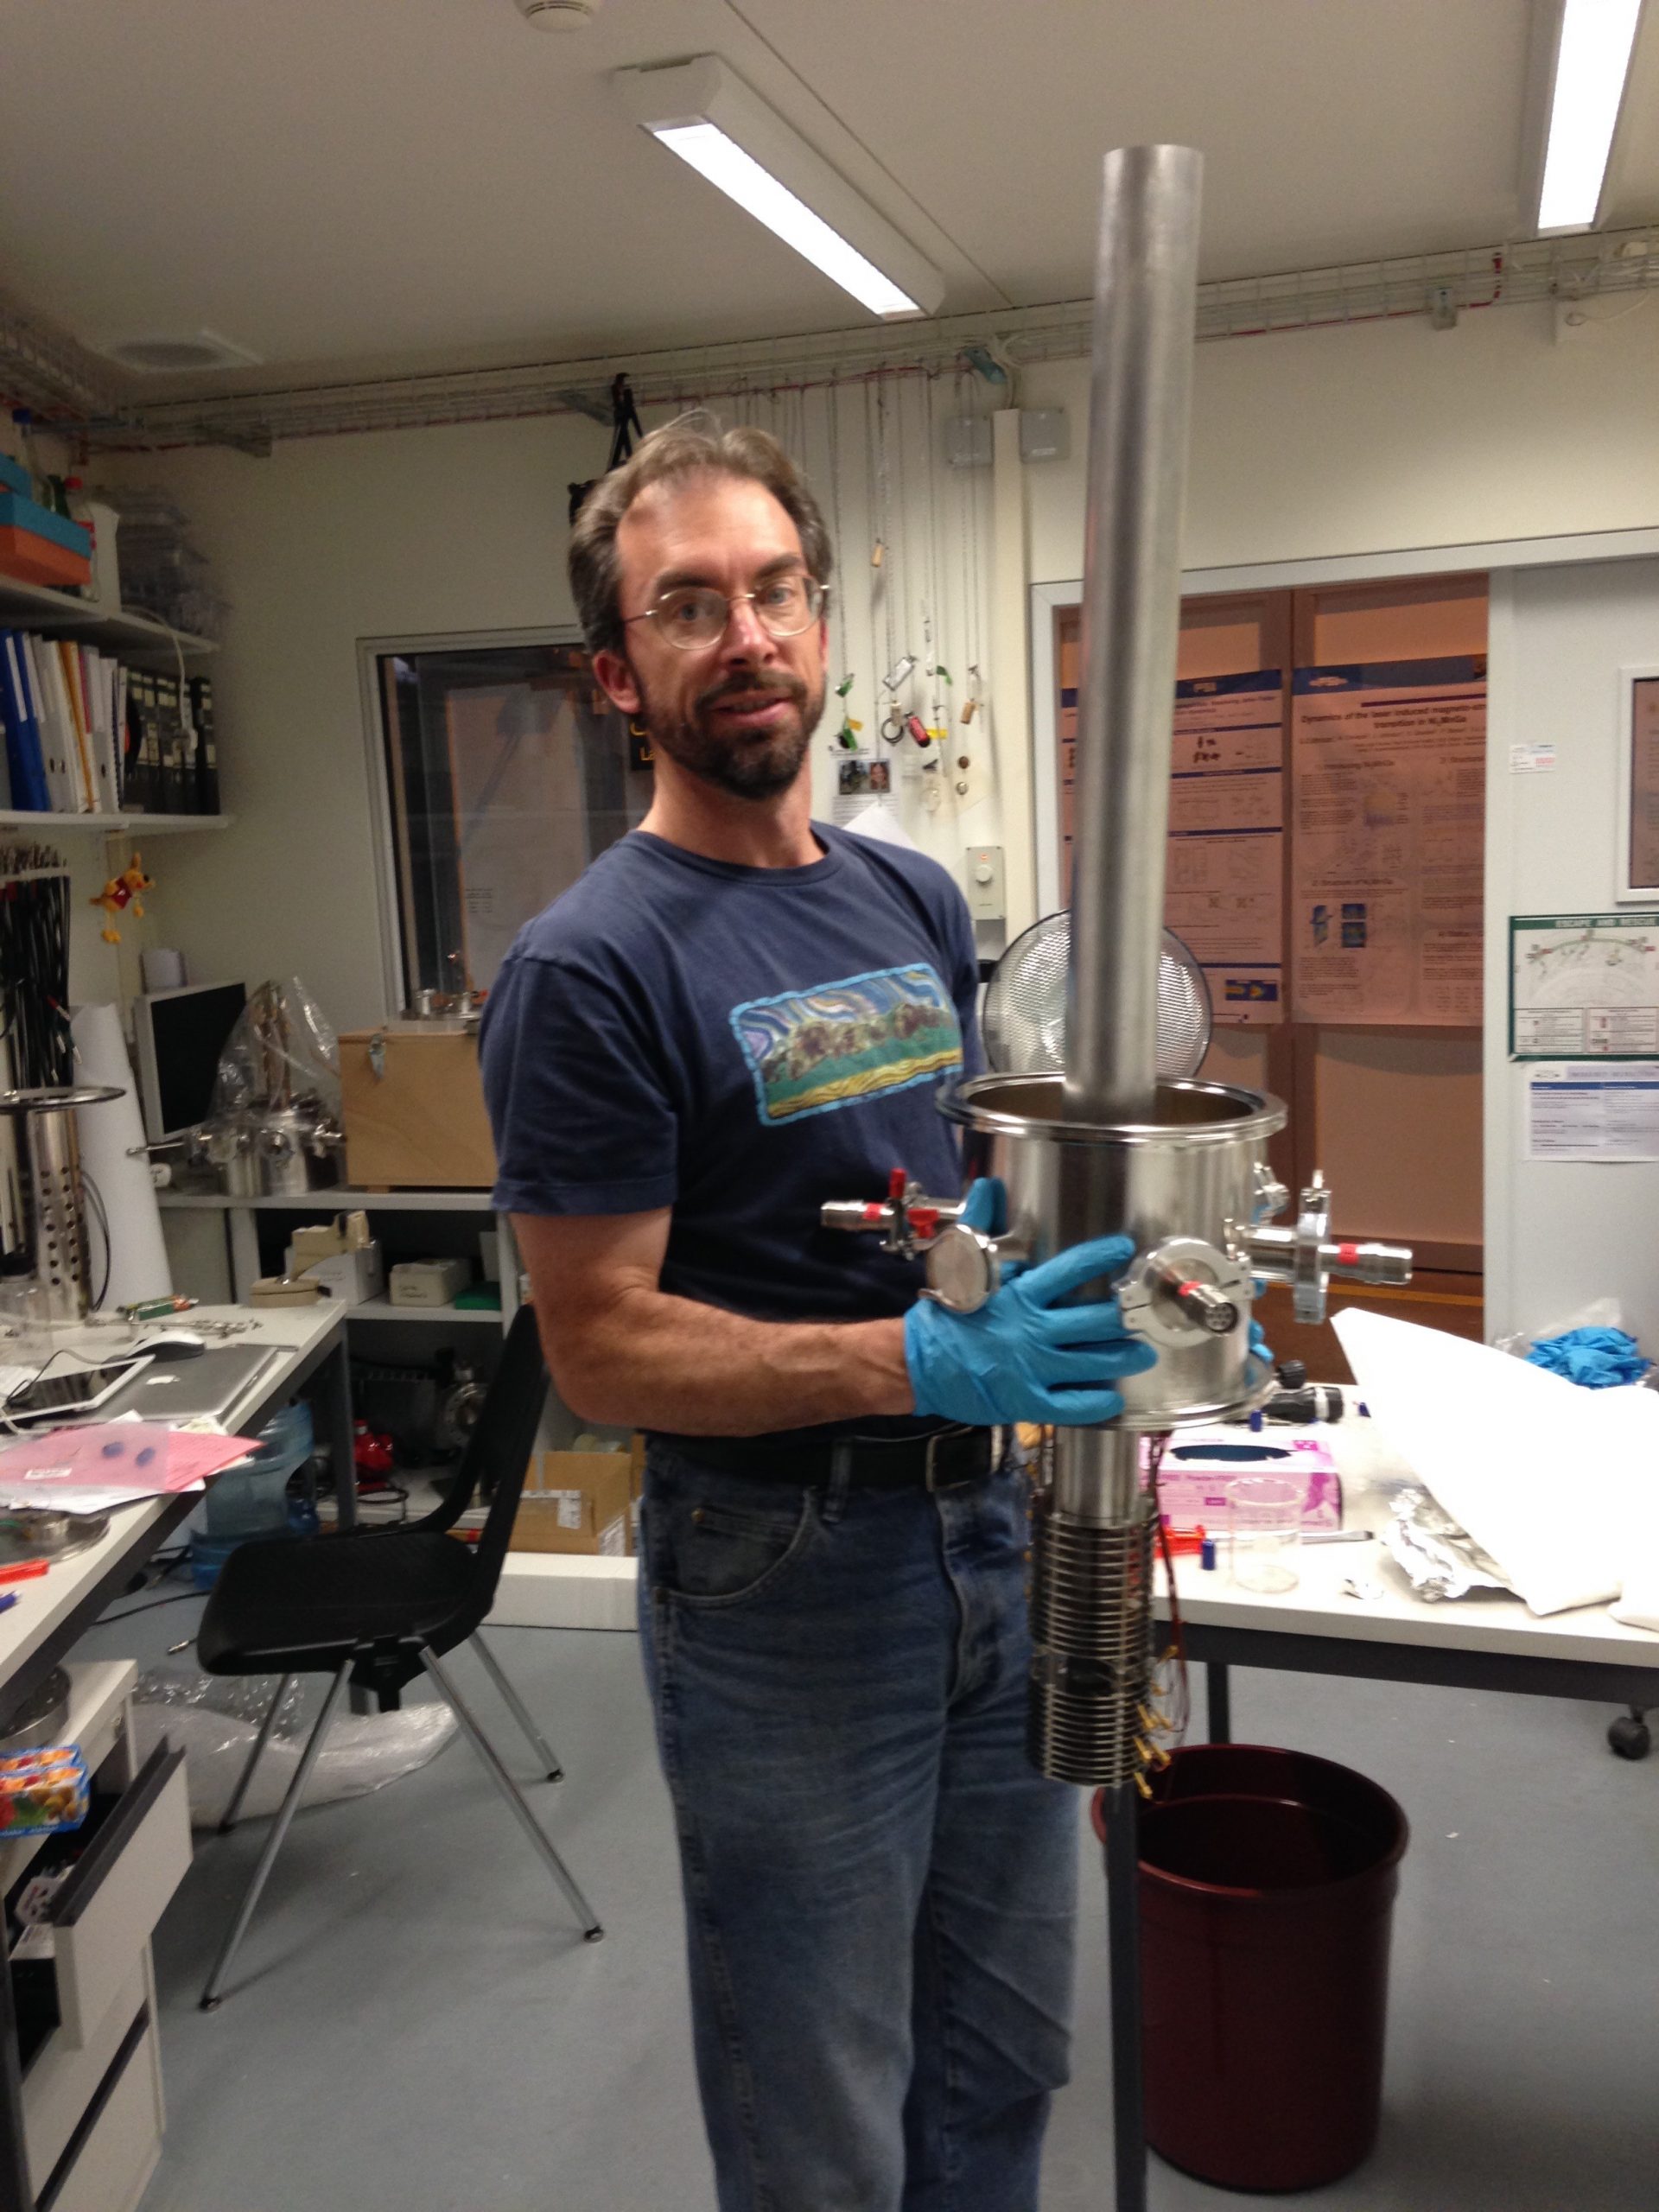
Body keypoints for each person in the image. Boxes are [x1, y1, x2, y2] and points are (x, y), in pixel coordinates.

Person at [479, 418, 1154, 2212]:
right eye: (690, 605)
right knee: (823, 2092)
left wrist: (1017, 1277)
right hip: (782, 1581)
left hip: (993, 1532)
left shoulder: (911, 897)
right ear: (623, 672)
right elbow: (600, 1342)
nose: (749, 633)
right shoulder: (592, 964)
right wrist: (918, 1354)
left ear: (822, 621)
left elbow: (931, 1195)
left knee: (1006, 2045)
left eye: (775, 588)